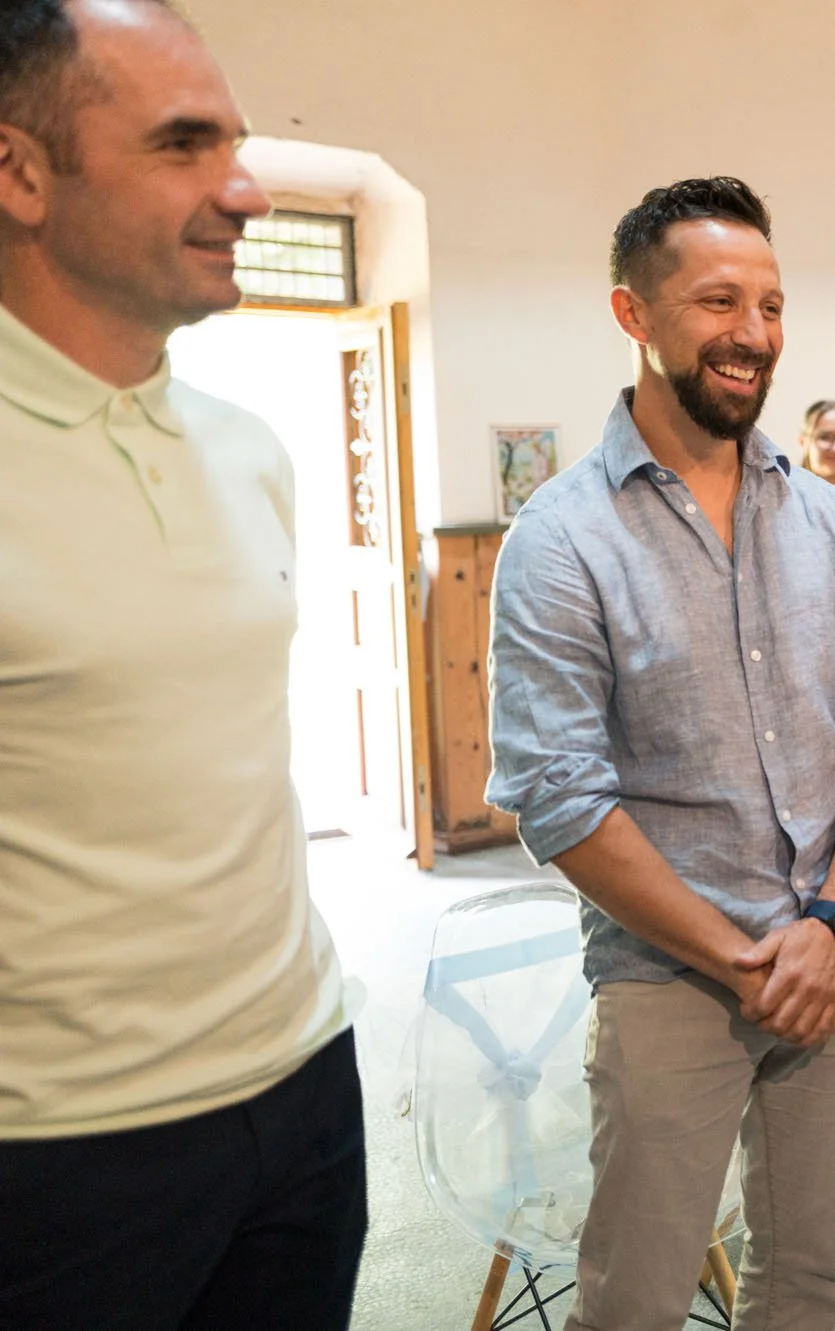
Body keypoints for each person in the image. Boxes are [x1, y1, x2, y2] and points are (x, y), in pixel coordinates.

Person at [485, 177, 835, 1331]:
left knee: (804, 1281)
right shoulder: (561, 537)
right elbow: (557, 796)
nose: (754, 335)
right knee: (635, 1296)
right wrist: (745, 960)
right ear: (633, 313)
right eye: (719, 301)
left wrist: (831, 924)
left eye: (772, 305)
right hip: (672, 976)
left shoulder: (827, 518)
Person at [0, 1, 362, 1325]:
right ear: (20, 174)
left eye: (240, 143)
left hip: (304, 1077)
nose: (245, 188)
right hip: (61, 1148)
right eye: (183, 144)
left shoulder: (246, 444)